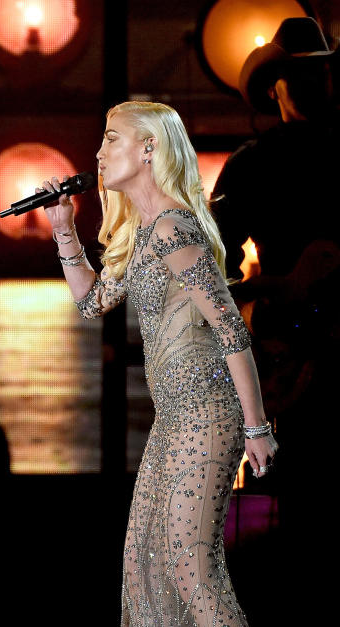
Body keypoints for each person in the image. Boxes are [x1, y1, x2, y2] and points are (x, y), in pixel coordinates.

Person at [38, 101, 277, 626]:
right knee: (148, 563)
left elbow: (231, 329)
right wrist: (64, 229)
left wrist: (257, 426)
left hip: (208, 412)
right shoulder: (145, 233)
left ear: (149, 149)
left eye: (111, 139)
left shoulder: (173, 228)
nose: (99, 153)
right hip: (173, 420)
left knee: (192, 567)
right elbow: (90, 303)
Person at [210, 15, 339, 615]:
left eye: (322, 73)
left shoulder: (254, 165)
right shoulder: (253, 166)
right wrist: (275, 295)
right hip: (302, 364)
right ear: (274, 88)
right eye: (299, 76)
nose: (315, 86)